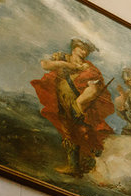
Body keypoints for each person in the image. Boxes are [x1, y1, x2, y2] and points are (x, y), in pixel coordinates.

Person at [30, 38, 115, 176]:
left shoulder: (89, 68)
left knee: (84, 132)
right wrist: (70, 66)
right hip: (62, 102)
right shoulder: (63, 58)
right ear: (74, 48)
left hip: (78, 106)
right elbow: (45, 64)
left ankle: (95, 164)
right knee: (68, 134)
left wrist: (79, 104)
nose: (84, 52)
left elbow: (93, 90)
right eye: (81, 48)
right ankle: (73, 167)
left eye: (86, 50)